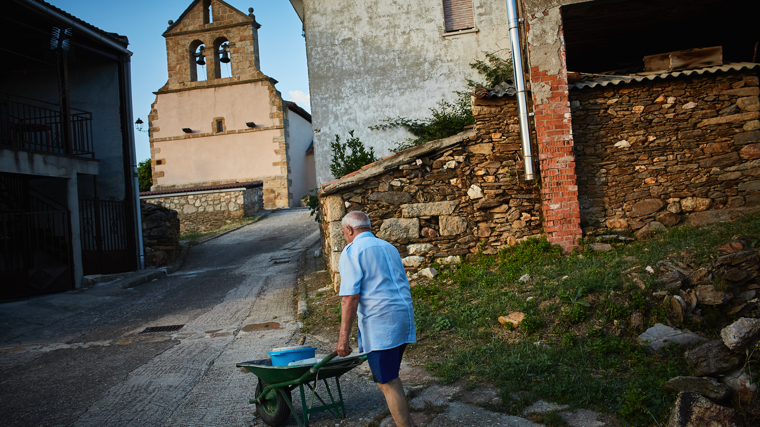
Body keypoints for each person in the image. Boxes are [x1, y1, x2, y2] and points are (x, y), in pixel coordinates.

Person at [336, 211, 416, 427]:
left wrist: (343, 339)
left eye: (345, 233)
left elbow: (350, 298)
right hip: (403, 317)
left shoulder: (353, 251)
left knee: (387, 381)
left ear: (349, 230)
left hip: (382, 323)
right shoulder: (388, 247)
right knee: (389, 379)